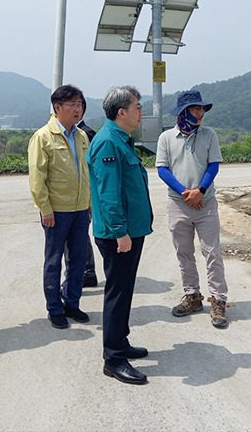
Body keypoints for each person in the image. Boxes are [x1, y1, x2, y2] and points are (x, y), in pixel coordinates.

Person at [87, 85, 153, 385]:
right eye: (137, 106)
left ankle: (121, 341)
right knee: (116, 291)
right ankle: (113, 358)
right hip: (119, 234)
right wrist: (119, 232)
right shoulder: (107, 143)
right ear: (121, 111)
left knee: (125, 289)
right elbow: (109, 194)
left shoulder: (121, 140)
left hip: (129, 230)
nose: (141, 112)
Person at [156, 90, 229, 329]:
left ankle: (218, 300)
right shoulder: (166, 137)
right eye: (195, 109)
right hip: (178, 203)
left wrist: (200, 190)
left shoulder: (209, 135)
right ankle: (192, 296)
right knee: (184, 252)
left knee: (212, 252)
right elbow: (163, 170)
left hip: (205, 202)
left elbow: (213, 165)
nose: (199, 113)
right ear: (183, 112)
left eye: (201, 109)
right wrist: (185, 193)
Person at [28, 85, 92, 329]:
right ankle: (54, 308)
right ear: (57, 108)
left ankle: (72, 303)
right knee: (54, 260)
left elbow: (86, 173)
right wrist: (45, 209)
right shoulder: (43, 137)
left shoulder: (81, 136)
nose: (78, 109)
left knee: (78, 259)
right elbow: (37, 178)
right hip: (56, 211)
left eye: (80, 105)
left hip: (80, 210)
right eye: (72, 105)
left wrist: (87, 204)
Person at [75, 109, 99, 287]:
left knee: (80, 235)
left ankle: (87, 271)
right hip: (75, 194)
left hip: (85, 194)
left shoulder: (87, 133)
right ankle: (85, 271)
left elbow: (94, 167)